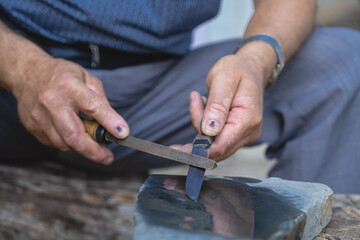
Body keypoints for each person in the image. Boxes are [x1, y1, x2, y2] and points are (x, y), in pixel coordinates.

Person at [0, 0, 359, 193]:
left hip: (149, 88)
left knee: (341, 63)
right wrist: (25, 69)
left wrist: (256, 60)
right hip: (11, 72)